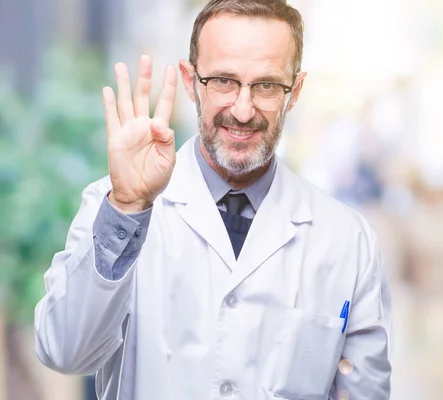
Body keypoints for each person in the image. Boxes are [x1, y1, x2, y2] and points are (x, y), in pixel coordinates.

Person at [33, 0, 393, 399]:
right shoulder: (115, 206)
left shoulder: (347, 239)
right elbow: (64, 352)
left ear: (295, 91)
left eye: (267, 85)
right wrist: (127, 208)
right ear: (190, 81)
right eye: (223, 80)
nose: (242, 109)